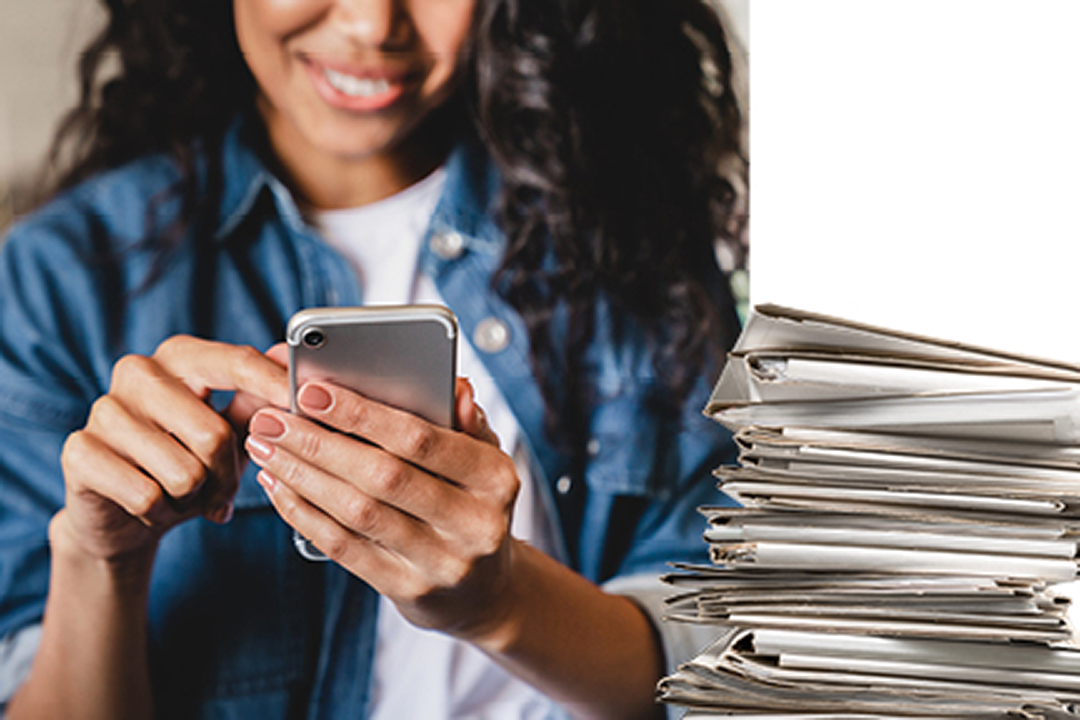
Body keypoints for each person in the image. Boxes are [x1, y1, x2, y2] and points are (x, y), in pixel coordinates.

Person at [0, 0, 746, 718]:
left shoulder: (630, 238)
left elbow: (713, 663)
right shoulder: (62, 278)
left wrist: (500, 603)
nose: (370, 23)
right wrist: (101, 557)